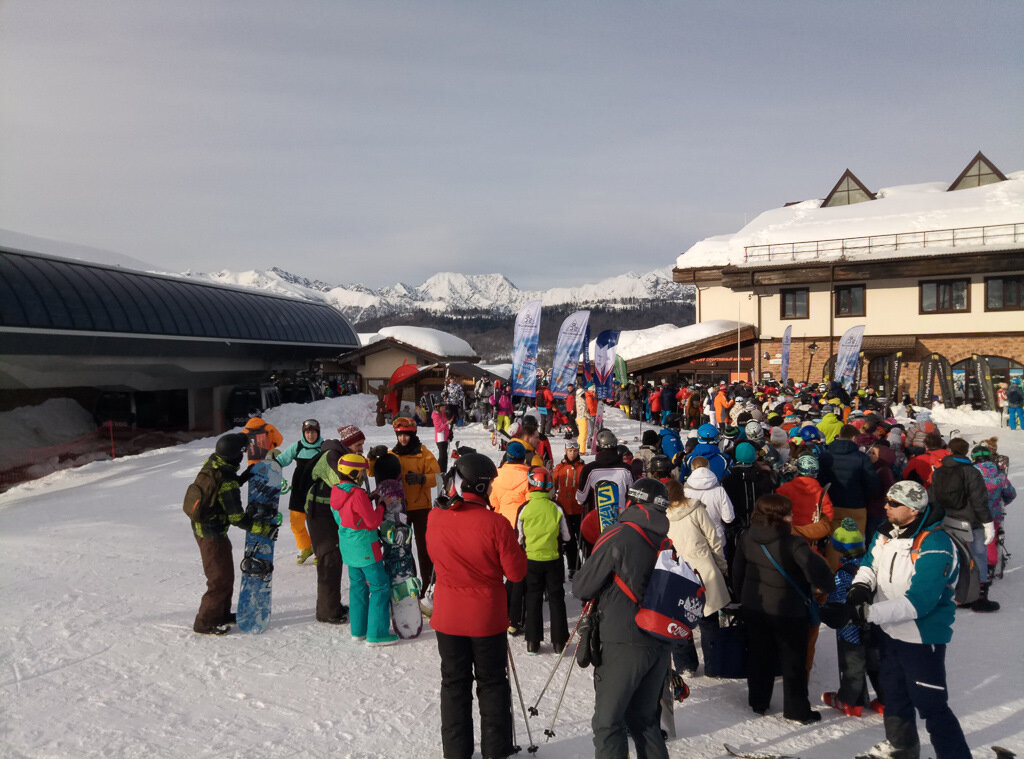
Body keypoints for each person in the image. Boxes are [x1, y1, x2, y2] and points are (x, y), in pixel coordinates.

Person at [845, 481, 971, 759]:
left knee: (932, 705)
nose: (885, 506)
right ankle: (901, 745)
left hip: (920, 638)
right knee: (894, 694)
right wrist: (860, 587)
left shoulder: (936, 543)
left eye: (893, 503)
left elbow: (920, 601)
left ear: (913, 510)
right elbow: (870, 563)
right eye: (887, 501)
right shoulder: (886, 533)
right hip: (889, 632)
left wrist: (867, 613)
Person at [427, 453, 528, 759]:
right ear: (482, 487)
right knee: (492, 684)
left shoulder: (435, 516)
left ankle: (456, 753)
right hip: (485, 618)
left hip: (448, 618)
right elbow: (516, 573)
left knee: (454, 685)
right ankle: (495, 752)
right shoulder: (495, 523)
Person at [572, 479, 674, 759]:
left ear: (631, 501)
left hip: (622, 638)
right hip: (659, 640)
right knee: (644, 720)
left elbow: (582, 586)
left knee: (608, 723)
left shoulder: (620, 534)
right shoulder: (665, 539)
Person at [731, 493, 834, 723]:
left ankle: (758, 701)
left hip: (755, 607)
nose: (792, 515)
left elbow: (737, 571)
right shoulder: (793, 543)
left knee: (759, 655)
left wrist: (744, 597)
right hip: (788, 610)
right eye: (789, 512)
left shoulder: (748, 537)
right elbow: (820, 574)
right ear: (781, 517)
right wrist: (825, 587)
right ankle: (796, 709)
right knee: (793, 661)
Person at [189, 433, 278, 635]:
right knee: (219, 578)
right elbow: (237, 518)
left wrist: (246, 475)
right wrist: (265, 530)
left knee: (226, 574)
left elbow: (224, 484)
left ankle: (220, 613)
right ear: (235, 455)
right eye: (242, 452)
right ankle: (205, 622)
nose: (244, 455)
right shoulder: (226, 479)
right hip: (211, 534)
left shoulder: (215, 462)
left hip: (209, 529)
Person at [331, 453, 398, 647]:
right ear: (353, 472)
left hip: (349, 547)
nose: (363, 475)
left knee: (358, 587)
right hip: (365, 547)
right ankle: (377, 633)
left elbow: (349, 510)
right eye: (361, 471)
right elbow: (372, 522)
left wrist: (369, 498)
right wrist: (383, 505)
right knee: (380, 587)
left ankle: (358, 630)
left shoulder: (337, 491)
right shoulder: (358, 494)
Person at [819, 518, 884, 718]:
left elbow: (837, 604)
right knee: (877, 664)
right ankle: (886, 699)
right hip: (876, 624)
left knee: (852, 666)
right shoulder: (872, 566)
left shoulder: (842, 574)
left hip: (850, 630)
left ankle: (850, 701)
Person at [664, 479, 729, 676]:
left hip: (677, 571)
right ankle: (714, 665)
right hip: (703, 568)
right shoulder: (696, 509)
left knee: (680, 620)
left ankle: (685, 664)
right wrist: (721, 565)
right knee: (708, 620)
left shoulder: (662, 516)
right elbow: (713, 539)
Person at [370, 417, 441, 590]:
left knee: (425, 549)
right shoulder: (392, 455)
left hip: (421, 508)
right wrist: (372, 457)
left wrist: (422, 478)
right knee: (403, 549)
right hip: (399, 508)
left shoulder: (424, 454)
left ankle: (428, 585)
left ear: (413, 434)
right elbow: (372, 472)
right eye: (400, 435)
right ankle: (410, 583)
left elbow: (438, 477)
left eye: (407, 435)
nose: (403, 439)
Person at [929, 437, 998, 612]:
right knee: (978, 556)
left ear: (950, 451)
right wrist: (987, 522)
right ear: (966, 452)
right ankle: (980, 596)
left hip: (948, 520)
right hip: (970, 522)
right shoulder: (971, 472)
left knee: (955, 557)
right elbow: (979, 500)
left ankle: (959, 595)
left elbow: (934, 498)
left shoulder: (938, 471)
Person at [517, 467, 570, 655]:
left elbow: (519, 538)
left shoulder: (524, 508)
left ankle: (532, 641)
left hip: (531, 560)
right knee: (556, 599)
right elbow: (567, 536)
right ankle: (559, 642)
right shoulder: (556, 507)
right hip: (553, 559)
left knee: (533, 598)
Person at [304, 438, 350, 624]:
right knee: (329, 559)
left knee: (332, 559)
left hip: (323, 513)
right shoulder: (332, 456)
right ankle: (327, 612)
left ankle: (332, 605)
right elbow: (342, 482)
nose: (361, 448)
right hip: (320, 515)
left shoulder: (338, 455)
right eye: (358, 445)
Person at [489, 441, 531, 635]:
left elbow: (493, 503)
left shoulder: (496, 476)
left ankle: (499, 612)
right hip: (522, 528)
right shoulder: (528, 476)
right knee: (518, 574)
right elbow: (531, 504)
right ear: (523, 457)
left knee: (501, 571)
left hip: (501, 526)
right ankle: (515, 619)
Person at [825, 424, 880, 568]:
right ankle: (852, 575)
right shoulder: (861, 458)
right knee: (855, 540)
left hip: (832, 505)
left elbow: (820, 480)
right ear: (854, 438)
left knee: (834, 540)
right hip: (856, 506)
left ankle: (833, 573)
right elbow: (872, 484)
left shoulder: (825, 454)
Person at [273, 419, 322, 565]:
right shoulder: (298, 447)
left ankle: (320, 549)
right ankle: (305, 547)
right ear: (303, 433)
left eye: (313, 432)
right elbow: (281, 460)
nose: (310, 435)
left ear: (318, 433)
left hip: (317, 490)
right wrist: (270, 464)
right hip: (299, 489)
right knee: (296, 523)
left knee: (317, 523)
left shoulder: (323, 448)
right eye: (307, 432)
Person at [971, 440, 1016, 577]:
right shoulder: (1000, 475)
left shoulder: (970, 473)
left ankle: (972, 564)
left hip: (973, 513)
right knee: (991, 539)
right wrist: (1001, 503)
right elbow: (1011, 494)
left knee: (972, 538)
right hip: (993, 514)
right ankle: (990, 565)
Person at [683, 457, 736, 548]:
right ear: (708, 468)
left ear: (692, 469)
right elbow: (728, 518)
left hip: (694, 539)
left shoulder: (685, 491)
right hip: (716, 538)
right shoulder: (719, 490)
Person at [552, 440, 585, 579]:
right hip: (564, 510)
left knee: (584, 539)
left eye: (575, 451)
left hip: (579, 510)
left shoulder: (583, 468)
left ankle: (589, 566)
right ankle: (573, 567)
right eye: (570, 451)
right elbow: (553, 487)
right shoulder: (559, 468)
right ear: (566, 451)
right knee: (569, 541)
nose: (572, 453)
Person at [431, 403, 451, 472]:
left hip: (445, 437)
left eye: (444, 407)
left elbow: (449, 419)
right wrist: (446, 424)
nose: (444, 408)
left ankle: (443, 472)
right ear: (438, 408)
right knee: (442, 457)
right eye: (442, 407)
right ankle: (439, 471)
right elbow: (438, 429)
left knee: (445, 457)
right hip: (440, 438)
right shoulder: (435, 415)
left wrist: (449, 433)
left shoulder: (443, 413)